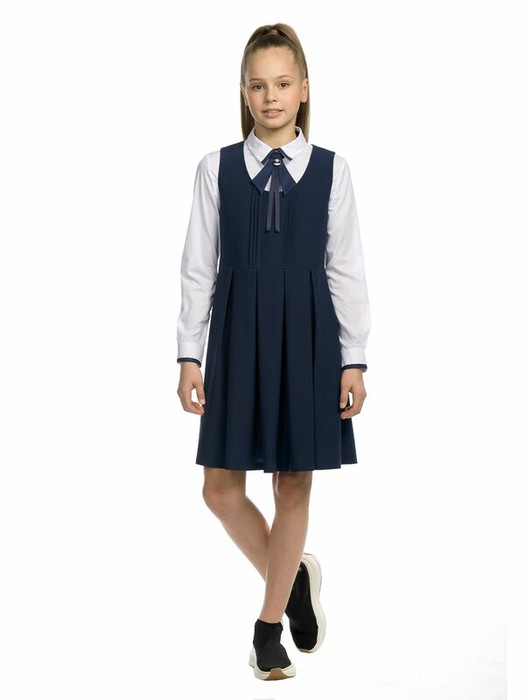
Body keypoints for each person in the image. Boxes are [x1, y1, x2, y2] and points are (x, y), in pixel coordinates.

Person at [176, 23, 371, 681]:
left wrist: (353, 357)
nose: (271, 97)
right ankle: (291, 581)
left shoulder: (332, 171)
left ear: (304, 89)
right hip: (236, 333)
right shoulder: (216, 169)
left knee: (292, 482)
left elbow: (345, 267)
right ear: (244, 92)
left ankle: (267, 630)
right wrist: (189, 353)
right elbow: (198, 267)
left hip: (308, 333)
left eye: (282, 84)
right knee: (219, 489)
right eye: (258, 86)